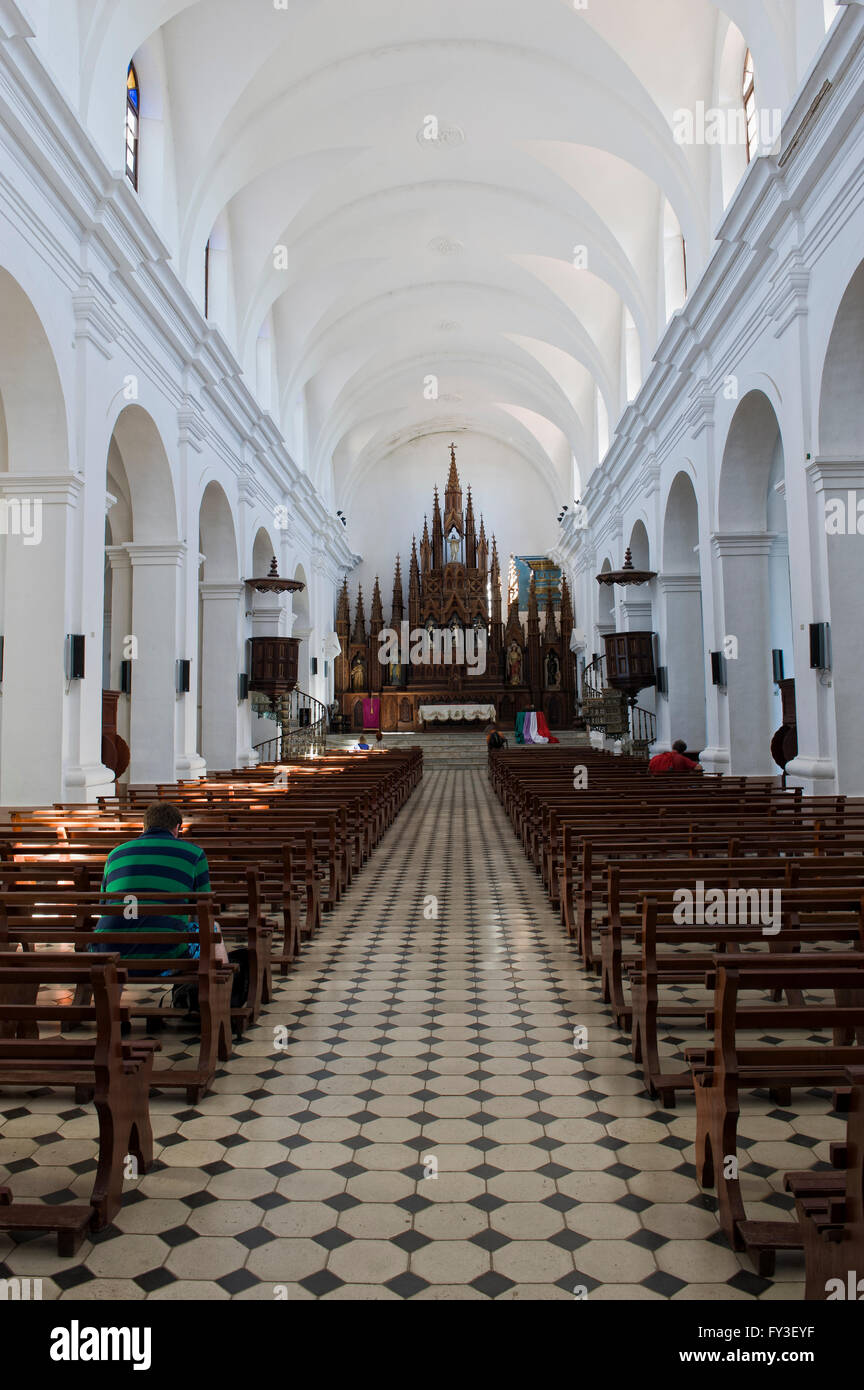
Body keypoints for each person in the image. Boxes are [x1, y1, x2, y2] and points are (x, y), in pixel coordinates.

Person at [93, 801, 229, 964]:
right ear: (177, 828)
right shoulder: (194, 853)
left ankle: (114, 987)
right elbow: (205, 908)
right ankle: (224, 987)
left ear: (144, 827)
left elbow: (104, 905)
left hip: (109, 949)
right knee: (213, 928)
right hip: (167, 952)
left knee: (123, 927)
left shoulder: (115, 855)